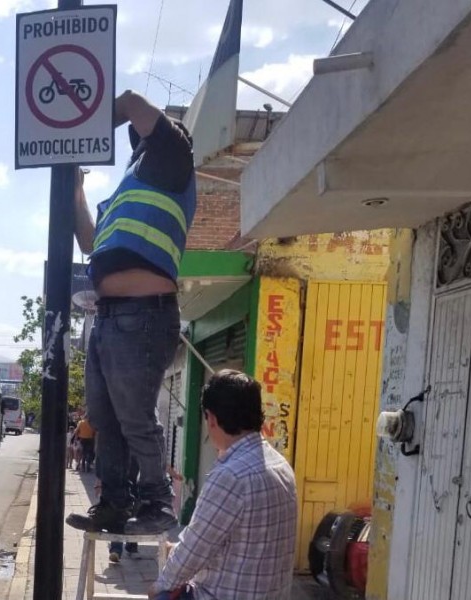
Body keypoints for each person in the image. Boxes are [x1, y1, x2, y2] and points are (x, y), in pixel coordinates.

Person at [67, 89, 196, 535]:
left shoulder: (173, 156)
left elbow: (129, 101)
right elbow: (88, 241)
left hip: (144, 314)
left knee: (135, 416)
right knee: (104, 418)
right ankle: (115, 504)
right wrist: (77, 190)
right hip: (109, 319)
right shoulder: (128, 189)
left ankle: (158, 504)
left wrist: (85, 126)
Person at [150, 370, 297, 600]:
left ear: (211, 418)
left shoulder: (230, 476)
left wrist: (158, 586)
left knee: (163, 593)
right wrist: (176, 550)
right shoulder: (281, 466)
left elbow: (192, 553)